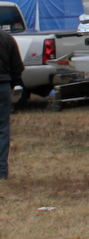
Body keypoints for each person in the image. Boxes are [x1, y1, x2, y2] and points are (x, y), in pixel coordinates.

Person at [0, 29, 24, 180]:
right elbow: (17, 68)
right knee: (2, 129)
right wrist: (13, 86)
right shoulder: (6, 38)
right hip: (3, 86)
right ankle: (1, 171)